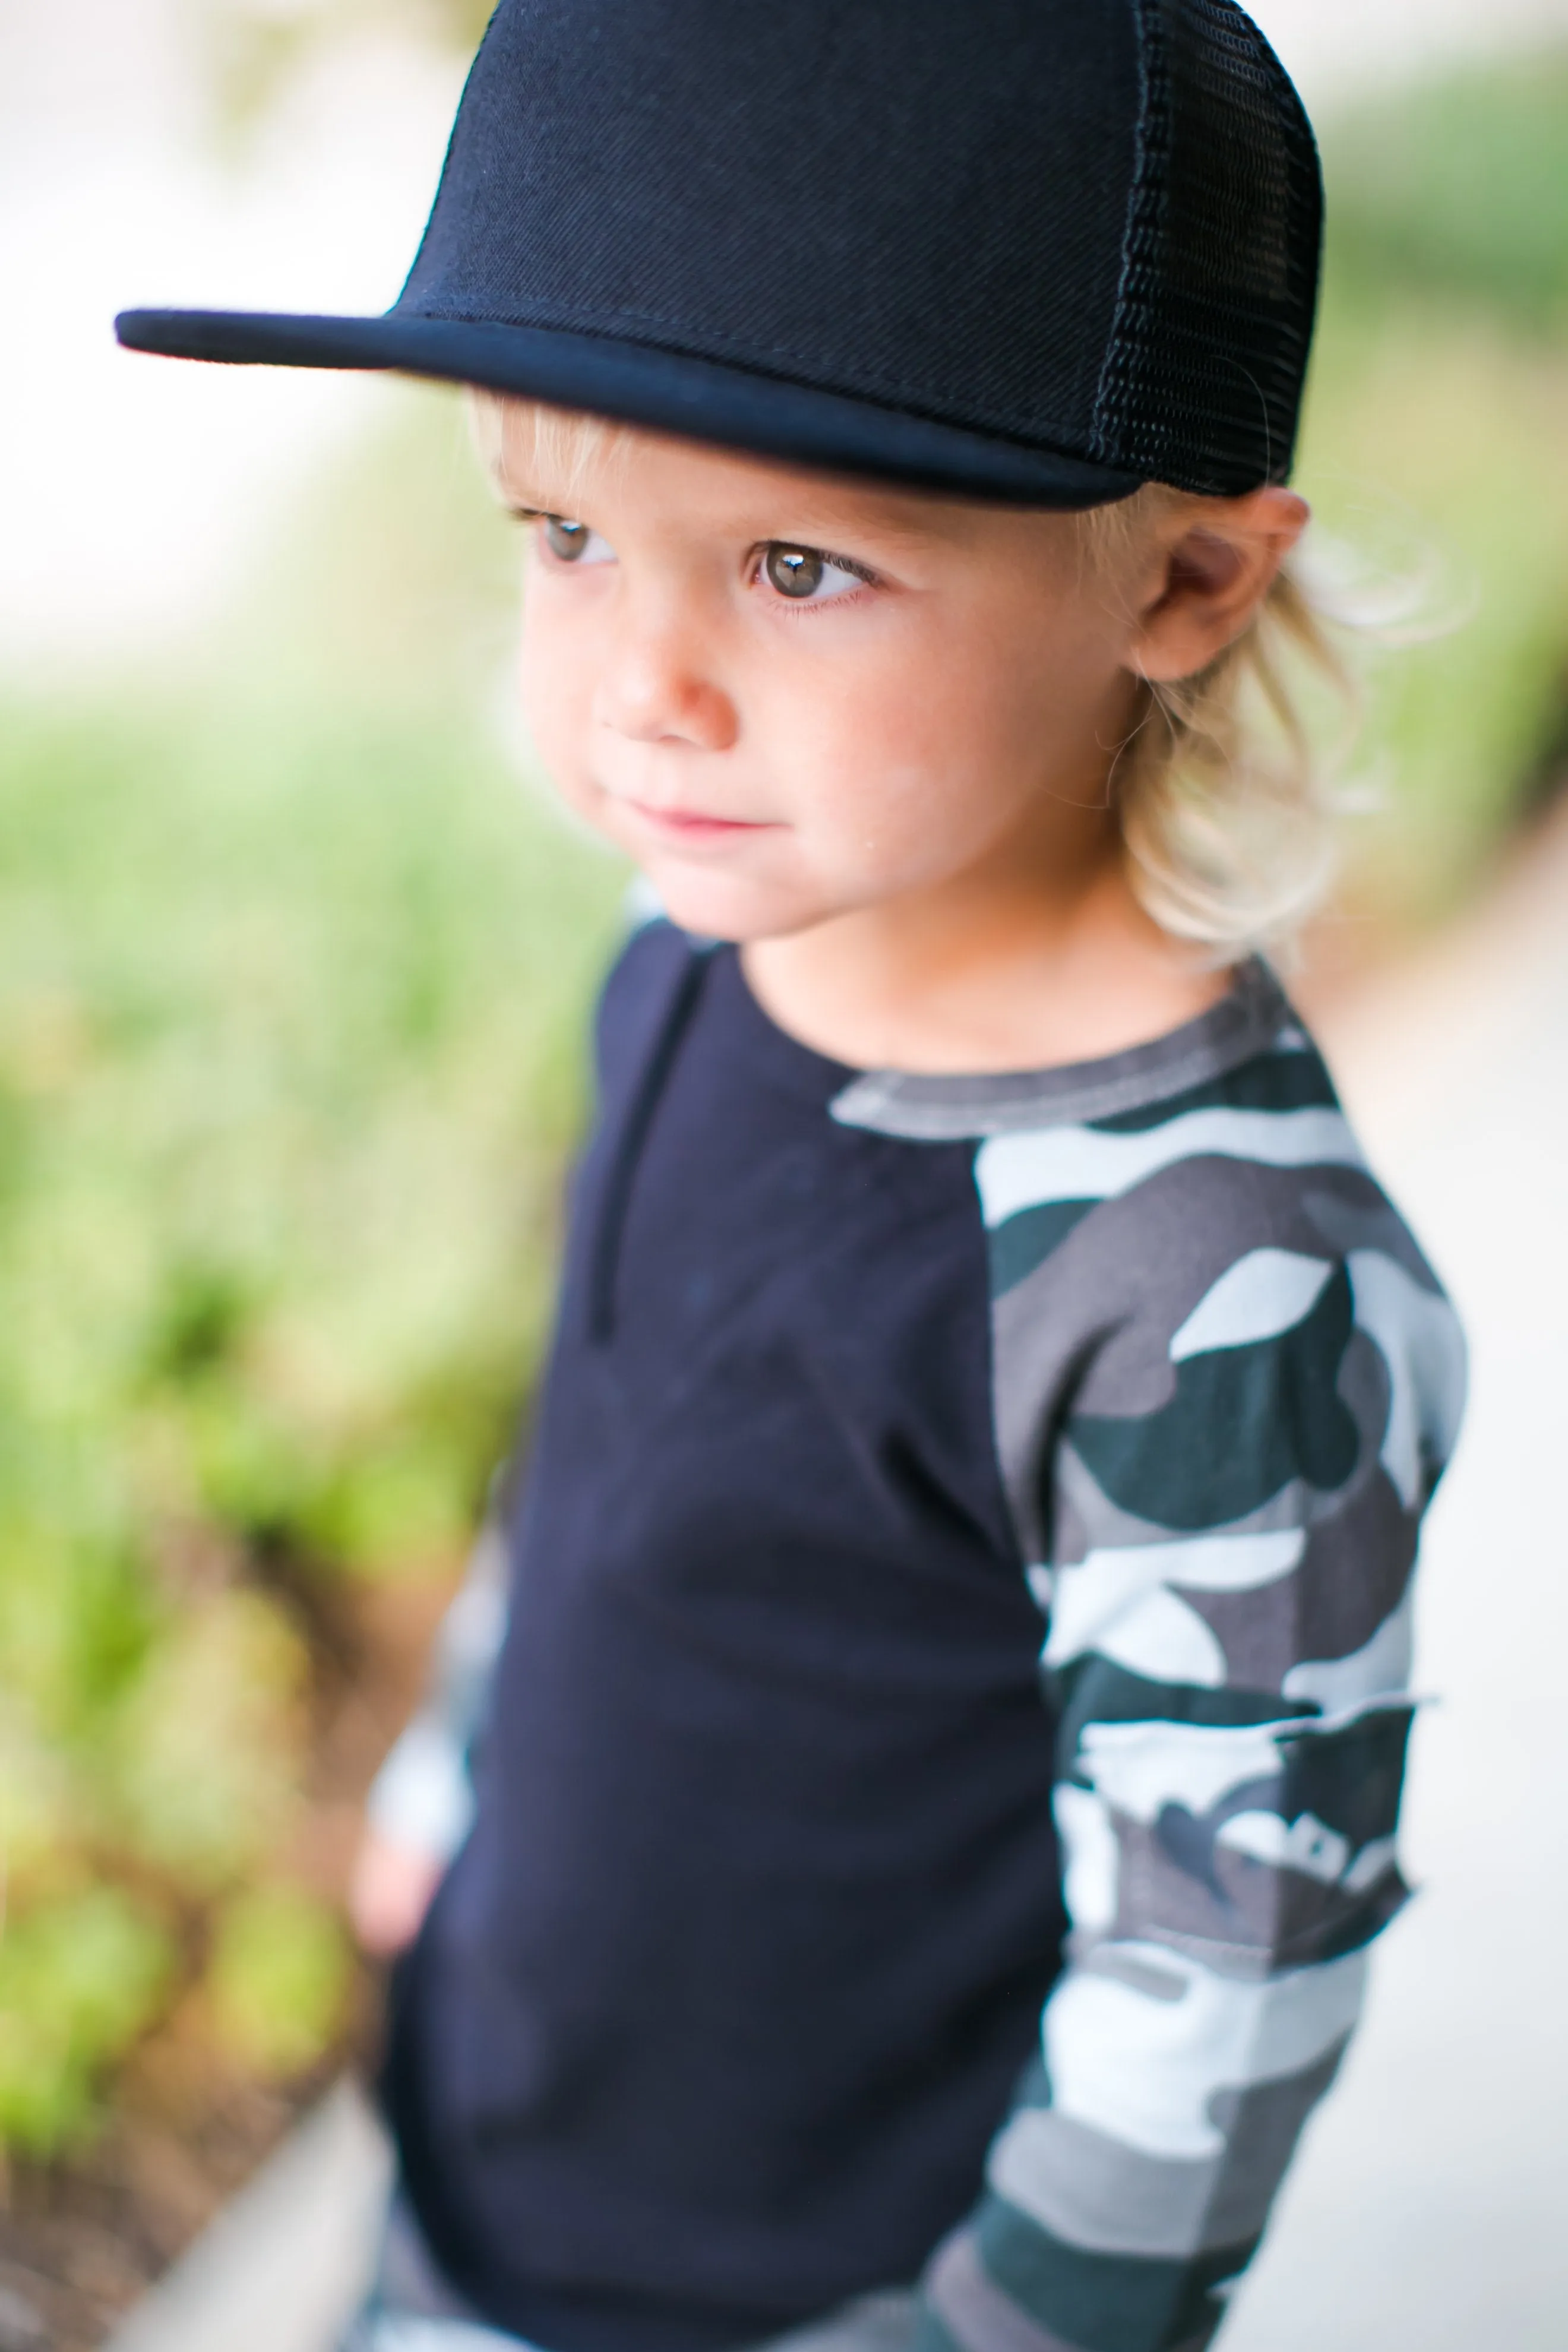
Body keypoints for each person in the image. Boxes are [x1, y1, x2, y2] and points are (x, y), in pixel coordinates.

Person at [117, 6, 1468, 2350]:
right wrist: (456, 1757)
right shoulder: (697, 959)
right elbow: (616, 1427)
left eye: (799, 566)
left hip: (816, 2294)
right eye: (560, 534)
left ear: (1184, 587)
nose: (645, 681)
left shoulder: (1203, 1269)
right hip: (494, 2161)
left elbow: (1230, 1938)